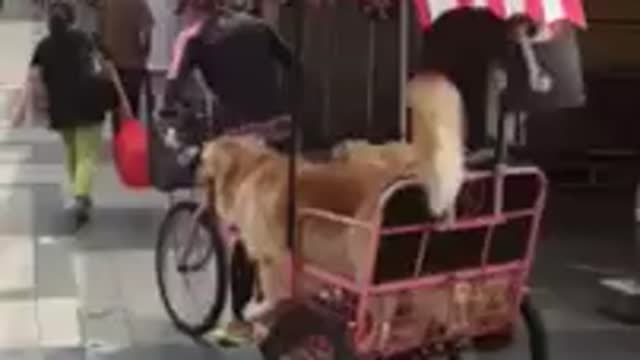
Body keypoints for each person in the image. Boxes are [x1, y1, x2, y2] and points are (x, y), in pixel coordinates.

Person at [12, 0, 115, 227]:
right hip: (90, 104)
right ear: (72, 19)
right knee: (87, 154)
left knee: (72, 151)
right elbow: (107, 66)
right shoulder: (86, 39)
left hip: (61, 108)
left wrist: (22, 111)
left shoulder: (44, 46)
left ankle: (80, 194)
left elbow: (33, 79)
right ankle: (81, 195)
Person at [161, 0, 295, 140]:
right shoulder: (258, 25)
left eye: (182, 15)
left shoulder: (192, 36)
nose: (183, 21)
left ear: (189, 8)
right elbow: (292, 63)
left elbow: (172, 86)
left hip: (234, 135)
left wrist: (168, 120)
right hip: (277, 126)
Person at [98, 0, 154, 129]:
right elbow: (146, 34)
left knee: (116, 106)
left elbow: (99, 31)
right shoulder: (139, 3)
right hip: (134, 64)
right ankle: (130, 139)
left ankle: (118, 138)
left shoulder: (107, 4)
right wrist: (144, 54)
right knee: (132, 106)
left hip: (112, 63)